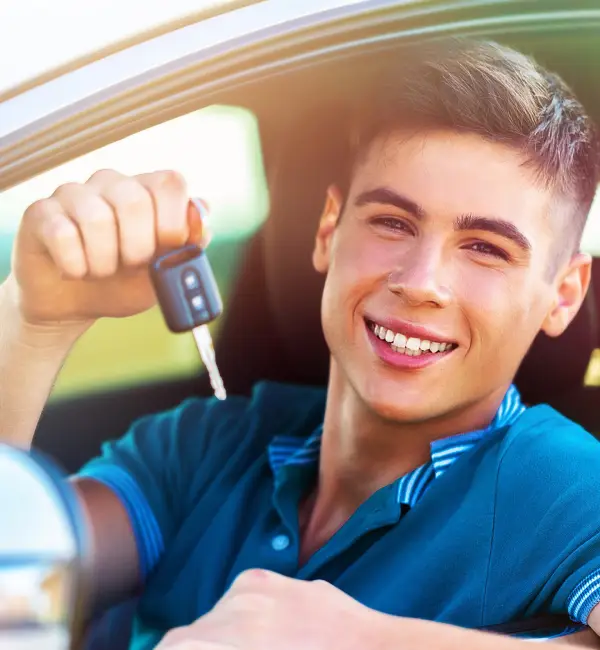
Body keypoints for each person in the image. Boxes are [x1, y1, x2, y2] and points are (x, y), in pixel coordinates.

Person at [1, 37, 600, 650]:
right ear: (326, 231)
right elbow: (9, 587)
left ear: (564, 294)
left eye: (486, 249)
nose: (421, 284)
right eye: (392, 222)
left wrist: (358, 640)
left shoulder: (566, 485)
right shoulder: (206, 447)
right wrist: (32, 322)